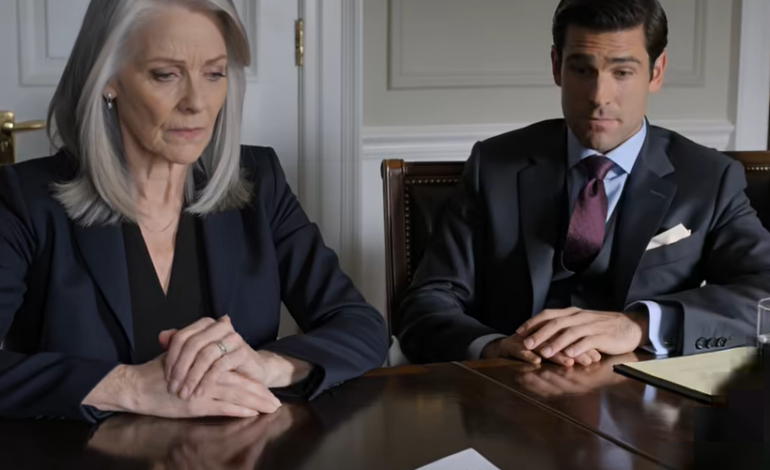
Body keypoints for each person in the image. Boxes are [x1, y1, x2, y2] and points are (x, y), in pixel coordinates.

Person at [0, 0, 388, 422]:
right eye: (166, 75)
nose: (196, 102)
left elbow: (361, 326)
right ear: (107, 79)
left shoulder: (260, 182)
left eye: (214, 74)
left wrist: (265, 366)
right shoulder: (25, 199)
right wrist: (128, 386)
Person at [397, 0, 770, 367]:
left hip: (644, 395)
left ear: (656, 72)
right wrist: (493, 348)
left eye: (621, 72)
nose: (598, 97)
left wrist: (639, 325)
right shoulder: (493, 165)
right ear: (556, 66)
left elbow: (765, 293)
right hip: (513, 385)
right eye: (581, 69)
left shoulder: (709, 177)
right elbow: (426, 302)